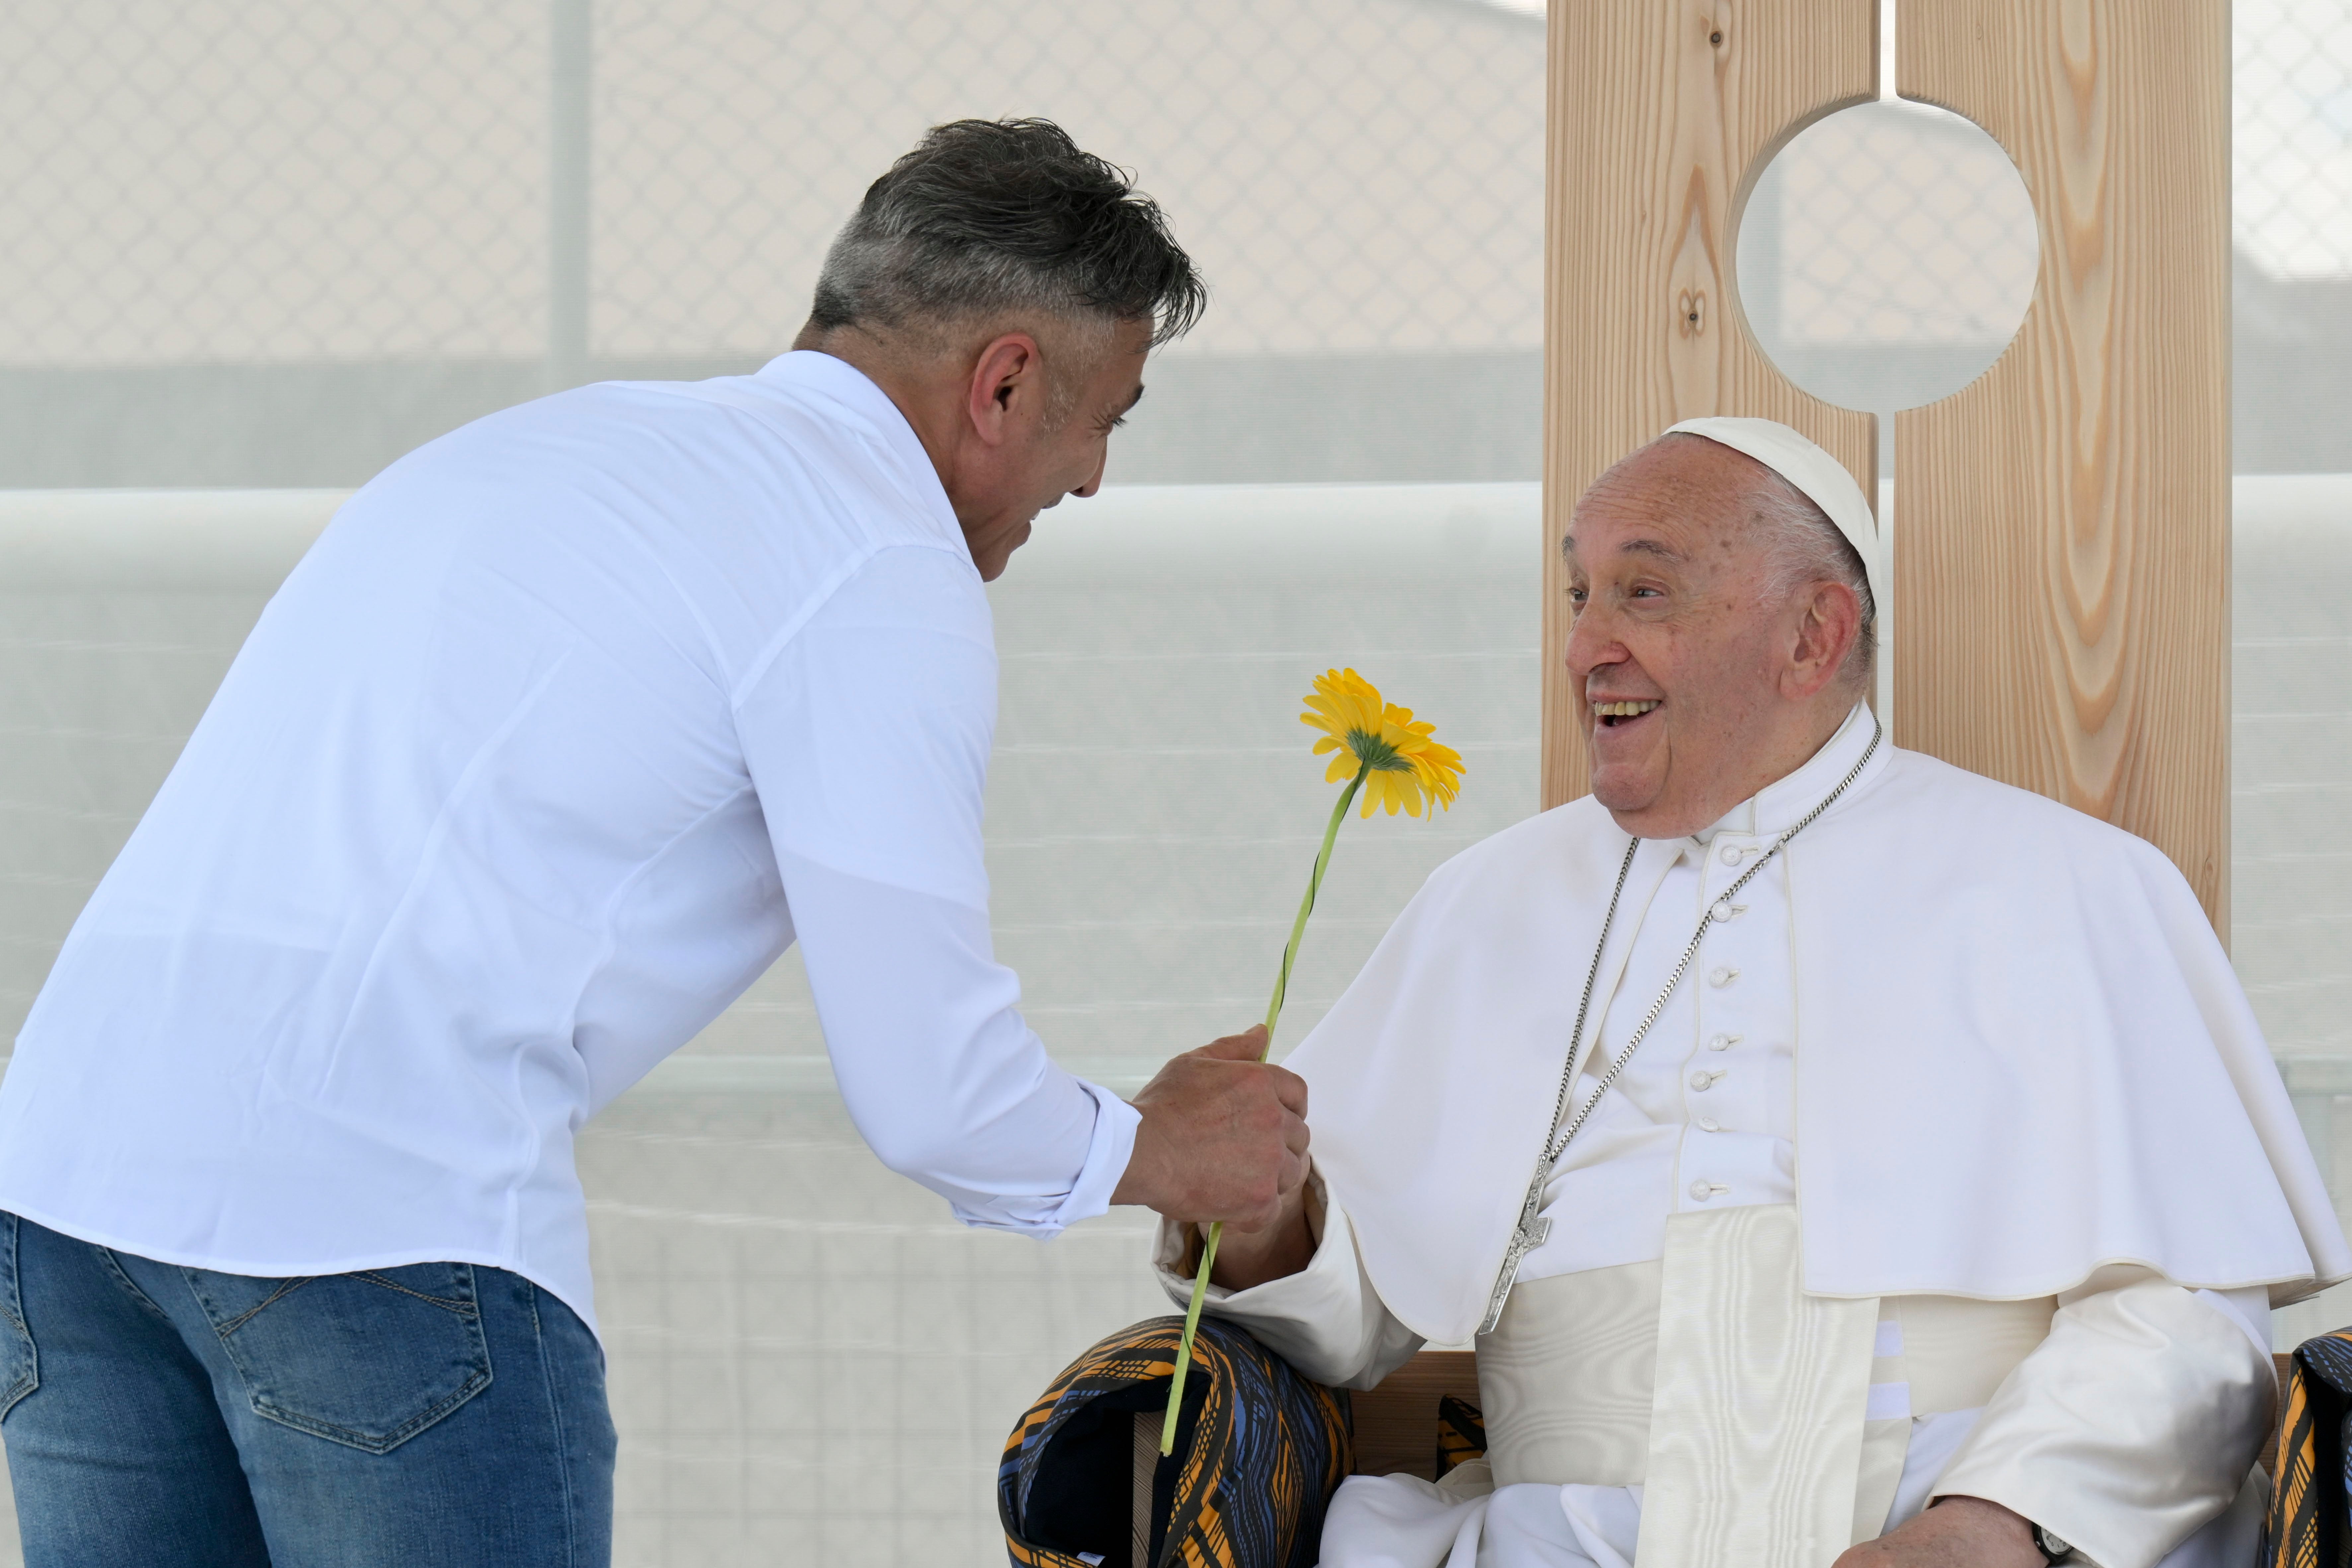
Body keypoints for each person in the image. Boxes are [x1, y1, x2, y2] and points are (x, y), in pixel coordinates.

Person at [0, 118, 1309, 1567]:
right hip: (368, 1222)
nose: (1092, 481)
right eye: (1105, 418)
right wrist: (1160, 1149)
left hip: (60, 1187)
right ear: (1004, 380)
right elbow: (935, 1094)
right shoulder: (874, 555)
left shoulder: (551, 447)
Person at [1154, 418, 2350, 1568]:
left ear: (1812, 636)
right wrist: (1264, 1215)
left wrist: (1998, 1523)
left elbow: (2195, 1314)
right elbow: (1353, 1320)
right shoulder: (1488, 901)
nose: (1585, 647)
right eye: (1580, 597)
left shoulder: (2072, 884)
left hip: (1945, 1524)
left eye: (1645, 592)